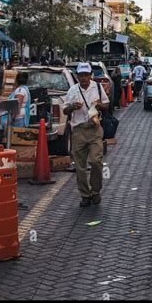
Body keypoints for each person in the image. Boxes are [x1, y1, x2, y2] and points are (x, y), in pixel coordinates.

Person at [63, 62, 109, 207]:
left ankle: (96, 191)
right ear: (77, 76)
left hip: (95, 129)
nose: (83, 78)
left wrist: (100, 105)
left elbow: (107, 105)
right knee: (80, 166)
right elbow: (65, 110)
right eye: (81, 75)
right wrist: (72, 107)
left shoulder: (98, 87)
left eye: (86, 75)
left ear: (90, 75)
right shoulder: (72, 90)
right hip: (78, 130)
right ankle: (85, 195)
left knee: (96, 161)